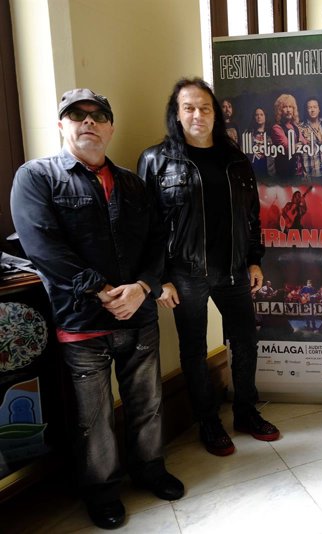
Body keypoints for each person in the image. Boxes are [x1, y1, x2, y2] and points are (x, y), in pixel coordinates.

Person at [10, 88, 184, 529]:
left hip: (139, 316)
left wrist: (143, 287)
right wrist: (102, 291)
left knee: (147, 402)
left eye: (98, 115)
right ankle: (103, 491)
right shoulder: (36, 177)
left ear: (110, 128)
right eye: (77, 115)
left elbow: (157, 241)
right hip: (81, 320)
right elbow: (43, 246)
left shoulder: (132, 183)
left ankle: (151, 470)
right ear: (61, 125)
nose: (88, 121)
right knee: (93, 418)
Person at [138, 78, 280, 458]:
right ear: (177, 114)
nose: (197, 114)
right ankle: (208, 421)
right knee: (194, 350)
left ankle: (246, 412)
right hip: (185, 275)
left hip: (234, 269)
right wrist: (159, 279)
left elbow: (252, 216)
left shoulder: (235, 159)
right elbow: (146, 227)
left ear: (215, 114)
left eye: (205, 107)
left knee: (245, 341)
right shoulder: (155, 161)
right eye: (189, 108)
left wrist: (254, 259)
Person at [271, 93, 306, 179]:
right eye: (285, 107)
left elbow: (305, 144)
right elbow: (289, 148)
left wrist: (299, 144)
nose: (288, 110)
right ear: (279, 110)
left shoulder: (295, 126)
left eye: (290, 107)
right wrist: (300, 144)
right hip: (285, 173)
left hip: (298, 172)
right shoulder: (276, 128)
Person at [299, 97, 322, 181]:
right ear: (306, 110)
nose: (312, 110)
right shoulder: (301, 128)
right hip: (309, 174)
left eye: (315, 107)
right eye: (309, 107)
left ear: (319, 109)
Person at [246, 106, 274, 182]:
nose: (259, 117)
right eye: (256, 115)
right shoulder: (248, 133)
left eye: (261, 114)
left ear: (265, 116)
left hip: (268, 168)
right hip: (253, 167)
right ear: (254, 117)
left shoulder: (271, 133)